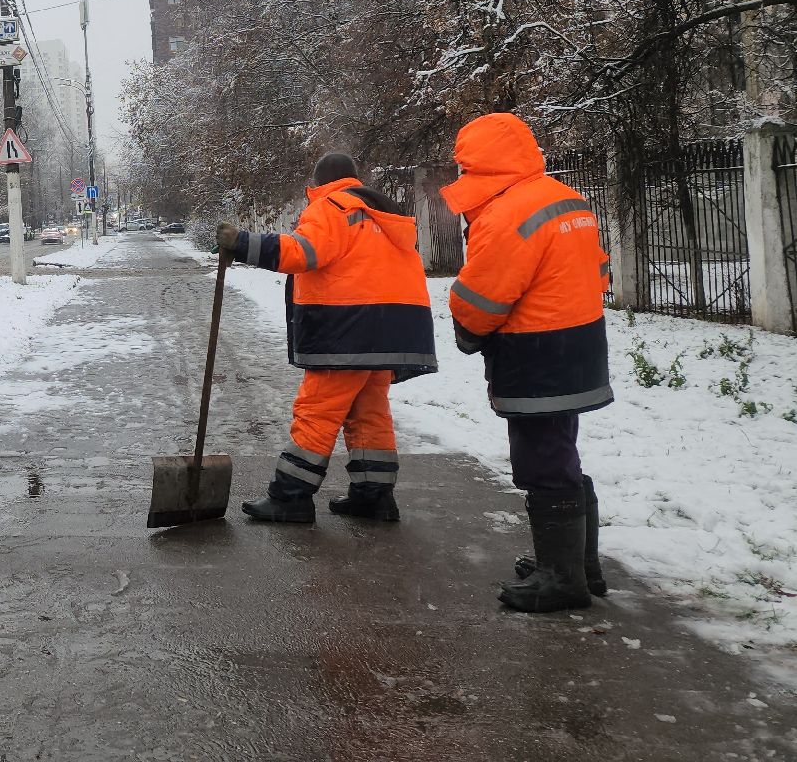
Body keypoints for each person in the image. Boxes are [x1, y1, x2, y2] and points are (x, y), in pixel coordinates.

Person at [440, 113, 612, 613]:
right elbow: (598, 268)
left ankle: (562, 580)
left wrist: (468, 333)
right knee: (560, 452)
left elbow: (479, 298)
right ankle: (580, 567)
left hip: (536, 351)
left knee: (541, 460)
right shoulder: (565, 198)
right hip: (579, 342)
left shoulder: (507, 214)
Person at [216, 152, 436, 523]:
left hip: (347, 329)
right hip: (395, 326)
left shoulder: (330, 208)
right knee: (370, 413)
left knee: (317, 411)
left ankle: (291, 497)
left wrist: (242, 243)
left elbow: (301, 253)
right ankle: (375, 497)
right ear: (354, 178)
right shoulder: (382, 212)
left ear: (317, 185)